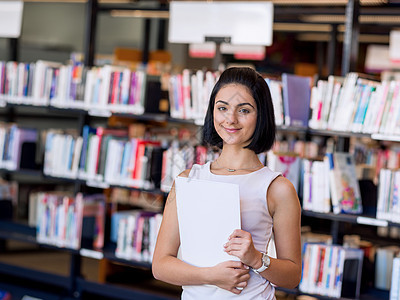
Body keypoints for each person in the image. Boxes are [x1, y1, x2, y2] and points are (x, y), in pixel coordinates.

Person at [152, 67, 301, 299]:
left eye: (244, 110)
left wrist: (255, 258)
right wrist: (211, 276)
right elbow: (160, 266)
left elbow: (292, 277)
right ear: (212, 112)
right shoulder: (187, 180)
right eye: (222, 108)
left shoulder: (277, 188)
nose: (230, 119)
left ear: (261, 115)